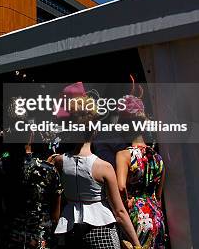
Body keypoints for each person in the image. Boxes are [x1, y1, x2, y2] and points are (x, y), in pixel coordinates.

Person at [52, 82, 141, 249]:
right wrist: (137, 244)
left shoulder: (59, 162)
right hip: (102, 234)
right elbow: (120, 212)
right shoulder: (104, 167)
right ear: (95, 130)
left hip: (71, 232)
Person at [115, 91, 166, 248]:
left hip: (137, 216)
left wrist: (127, 200)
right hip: (156, 216)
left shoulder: (124, 155)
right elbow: (158, 194)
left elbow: (121, 186)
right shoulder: (157, 157)